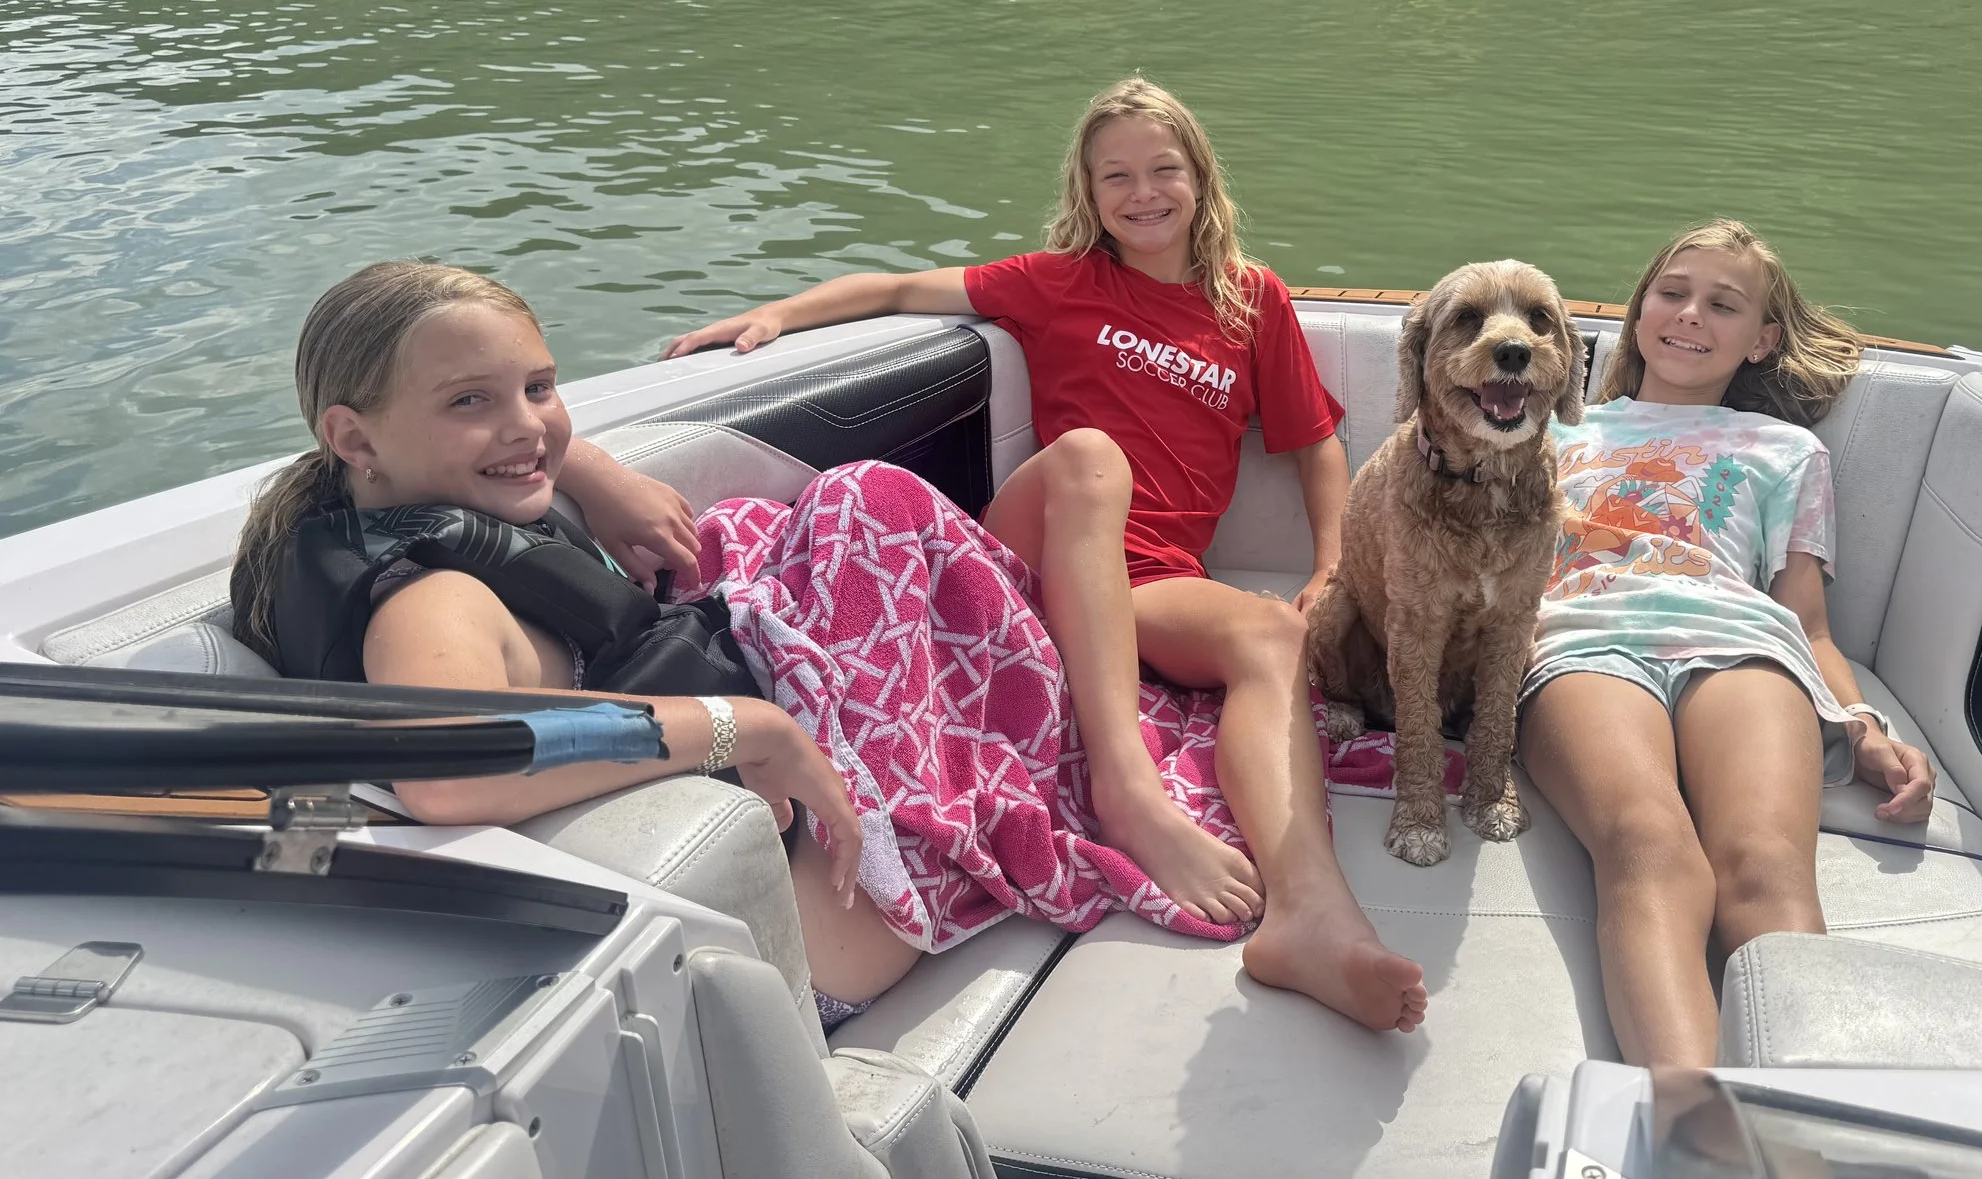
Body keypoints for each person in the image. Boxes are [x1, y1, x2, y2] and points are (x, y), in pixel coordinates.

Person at [228, 260, 1218, 1029]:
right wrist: (742, 729)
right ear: (355, 438)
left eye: (540, 386)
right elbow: (455, 770)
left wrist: (596, 473)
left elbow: (520, 447)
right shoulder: (429, 603)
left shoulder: (384, 500)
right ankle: (1105, 755)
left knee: (871, 504)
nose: (528, 427)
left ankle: (1074, 705)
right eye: (470, 402)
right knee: (870, 503)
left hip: (800, 844)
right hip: (836, 928)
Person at [666, 77, 1428, 1033]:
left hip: (1151, 581)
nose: (1143, 192)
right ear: (1088, 191)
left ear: (1201, 176)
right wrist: (778, 314)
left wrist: (1331, 564)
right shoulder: (1057, 280)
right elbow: (898, 287)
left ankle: (1315, 917)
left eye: (1164, 170)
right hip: (1032, 559)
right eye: (1117, 176)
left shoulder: (1250, 300)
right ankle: (1126, 789)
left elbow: (1315, 440)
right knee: (1089, 457)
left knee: (1273, 631)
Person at [1520, 219, 1935, 1068]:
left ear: (1762, 340)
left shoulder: (1786, 450)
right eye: (1672, 293)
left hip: (1740, 643)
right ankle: (1694, 1135)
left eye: (1724, 304)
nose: (1690, 316)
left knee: (1763, 869)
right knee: (1648, 847)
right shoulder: (1555, 431)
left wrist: (1861, 724)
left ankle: (1804, 1140)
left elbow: (1806, 620)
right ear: (1640, 312)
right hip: (1584, 638)